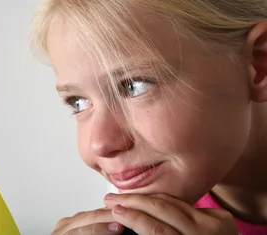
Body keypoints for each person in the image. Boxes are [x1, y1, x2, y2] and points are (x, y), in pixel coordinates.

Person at [28, 0, 267, 234]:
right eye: (78, 102)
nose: (100, 144)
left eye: (135, 86)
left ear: (259, 63)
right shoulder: (156, 184)